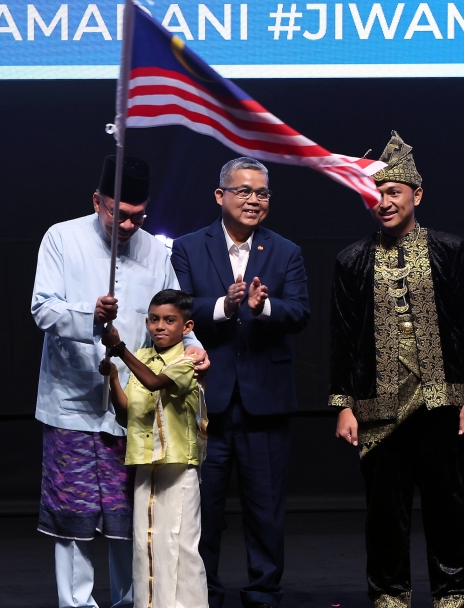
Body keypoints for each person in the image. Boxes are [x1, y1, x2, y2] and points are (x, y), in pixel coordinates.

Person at [31, 155, 208, 608]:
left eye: (138, 216)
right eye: (119, 214)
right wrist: (89, 313)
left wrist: (194, 348)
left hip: (134, 408)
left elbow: (174, 314)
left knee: (128, 514)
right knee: (73, 514)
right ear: (98, 202)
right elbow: (42, 309)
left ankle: (131, 602)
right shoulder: (61, 238)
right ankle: (76, 604)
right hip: (70, 402)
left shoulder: (156, 251)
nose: (129, 225)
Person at [328, 132, 464, 608]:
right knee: (384, 511)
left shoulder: (450, 250)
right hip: (378, 406)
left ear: (416, 195)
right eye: (376, 193)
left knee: (449, 504)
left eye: (393, 192)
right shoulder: (351, 260)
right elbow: (342, 336)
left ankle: (454, 589)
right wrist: (343, 405)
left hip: (443, 400)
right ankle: (389, 592)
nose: (384, 202)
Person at [171, 157, 310, 608]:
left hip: (265, 400)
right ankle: (203, 592)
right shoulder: (188, 247)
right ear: (220, 196)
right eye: (244, 191)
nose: (254, 200)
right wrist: (224, 307)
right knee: (203, 508)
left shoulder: (285, 250)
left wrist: (261, 307)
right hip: (205, 400)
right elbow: (177, 307)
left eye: (262, 193)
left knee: (265, 508)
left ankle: (263, 593)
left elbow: (300, 312)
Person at [98, 289, 209, 608]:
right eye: (154, 319)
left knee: (179, 544)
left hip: (178, 465)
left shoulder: (188, 360)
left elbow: (155, 383)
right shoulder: (142, 358)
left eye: (169, 320)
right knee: (146, 543)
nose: (160, 326)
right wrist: (114, 378)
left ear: (186, 327)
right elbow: (127, 413)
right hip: (146, 463)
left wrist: (119, 349)